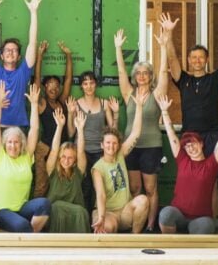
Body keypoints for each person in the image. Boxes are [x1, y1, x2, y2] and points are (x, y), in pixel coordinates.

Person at [165, 5, 218, 217]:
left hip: (212, 135)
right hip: (190, 136)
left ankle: (212, 223)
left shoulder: (215, 80)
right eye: (193, 58)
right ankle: (189, 219)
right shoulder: (184, 80)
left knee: (212, 184)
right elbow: (172, 60)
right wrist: (169, 34)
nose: (197, 61)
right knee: (188, 180)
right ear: (189, 61)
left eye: (201, 57)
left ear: (207, 60)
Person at [157, 94, 218, 234]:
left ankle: (193, 247)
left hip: (200, 218)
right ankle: (172, 246)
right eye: (187, 146)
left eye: (193, 144)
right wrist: (164, 111)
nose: (190, 148)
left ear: (201, 144)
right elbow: (171, 135)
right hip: (179, 215)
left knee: (207, 227)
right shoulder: (182, 159)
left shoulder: (212, 164)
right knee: (165, 214)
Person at [113, 24, 170, 232]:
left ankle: (151, 226)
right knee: (136, 188)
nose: (142, 76)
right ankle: (138, 221)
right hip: (130, 146)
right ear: (134, 76)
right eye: (138, 73)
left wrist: (164, 46)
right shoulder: (129, 93)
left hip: (151, 146)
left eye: (146, 73)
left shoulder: (156, 94)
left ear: (150, 76)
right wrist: (118, 48)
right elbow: (120, 71)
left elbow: (164, 72)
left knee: (151, 188)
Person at [0, 82, 50, 233]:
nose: (13, 145)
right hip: (1, 210)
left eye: (16, 142)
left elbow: (34, 129)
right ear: (4, 143)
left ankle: (31, 237)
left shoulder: (26, 157)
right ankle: (30, 239)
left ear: (21, 144)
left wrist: (34, 105)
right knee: (22, 225)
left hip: (21, 209)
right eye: (9, 142)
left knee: (44, 204)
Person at [91, 91, 149, 234]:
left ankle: (134, 240)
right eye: (108, 143)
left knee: (143, 200)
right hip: (107, 212)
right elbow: (101, 195)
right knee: (107, 228)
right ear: (102, 145)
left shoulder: (120, 155)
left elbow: (135, 133)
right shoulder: (97, 168)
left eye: (114, 143)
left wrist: (140, 107)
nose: (111, 146)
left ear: (118, 145)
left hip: (124, 211)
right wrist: (102, 217)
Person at [0, 0, 42, 127]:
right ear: (1, 55)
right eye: (7, 50)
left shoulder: (23, 72)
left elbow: (32, 43)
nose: (10, 52)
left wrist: (33, 12)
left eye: (14, 50)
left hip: (19, 129)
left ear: (19, 57)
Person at [67, 71, 116, 215]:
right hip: (81, 150)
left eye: (91, 83)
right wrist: (70, 114)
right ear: (81, 86)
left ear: (96, 84)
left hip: (100, 152)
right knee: (84, 187)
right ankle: (84, 221)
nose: (89, 86)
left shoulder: (104, 103)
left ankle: (98, 219)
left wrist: (117, 113)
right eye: (85, 83)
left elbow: (113, 131)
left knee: (99, 188)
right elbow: (70, 133)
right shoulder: (76, 104)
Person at [33, 40, 73, 197]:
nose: (53, 88)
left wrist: (68, 56)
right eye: (49, 84)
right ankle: (36, 215)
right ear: (45, 87)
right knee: (41, 184)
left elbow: (68, 79)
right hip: (45, 149)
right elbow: (36, 80)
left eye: (56, 85)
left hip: (62, 150)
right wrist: (40, 55)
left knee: (60, 183)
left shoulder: (61, 102)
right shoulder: (42, 103)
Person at [45, 108, 89, 233]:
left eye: (70, 158)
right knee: (57, 207)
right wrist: (59, 127)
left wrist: (80, 129)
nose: (66, 160)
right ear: (59, 158)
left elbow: (80, 151)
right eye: (63, 156)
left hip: (76, 213)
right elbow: (54, 150)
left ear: (75, 160)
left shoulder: (77, 173)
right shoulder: (52, 171)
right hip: (56, 212)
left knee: (82, 212)